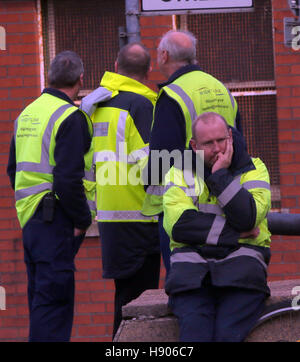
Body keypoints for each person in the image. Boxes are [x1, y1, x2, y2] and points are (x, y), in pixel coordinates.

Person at [7, 50, 95, 342]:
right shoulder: (70, 117)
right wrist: (82, 220)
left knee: (41, 304)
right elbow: (68, 179)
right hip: (55, 221)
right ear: (80, 80)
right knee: (54, 307)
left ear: (49, 76)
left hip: (31, 220)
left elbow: (12, 169)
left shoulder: (27, 113)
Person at [142, 29, 243, 276]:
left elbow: (161, 161)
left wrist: (148, 183)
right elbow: (240, 147)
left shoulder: (172, 95)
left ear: (164, 55)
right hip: (225, 201)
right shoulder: (221, 89)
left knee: (186, 284)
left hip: (185, 210)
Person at [163, 112, 271, 342]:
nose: (217, 149)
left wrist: (220, 176)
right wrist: (236, 234)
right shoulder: (178, 173)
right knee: (195, 335)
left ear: (230, 136)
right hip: (192, 274)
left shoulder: (255, 169)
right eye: (208, 143)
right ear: (194, 145)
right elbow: (180, 225)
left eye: (221, 140)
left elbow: (247, 218)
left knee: (227, 335)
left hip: (242, 271)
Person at [80, 42, 160, 339]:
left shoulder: (95, 105)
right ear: (148, 70)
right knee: (138, 307)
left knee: (123, 300)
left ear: (116, 65)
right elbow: (151, 167)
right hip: (140, 217)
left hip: (110, 218)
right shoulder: (142, 106)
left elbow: (86, 164)